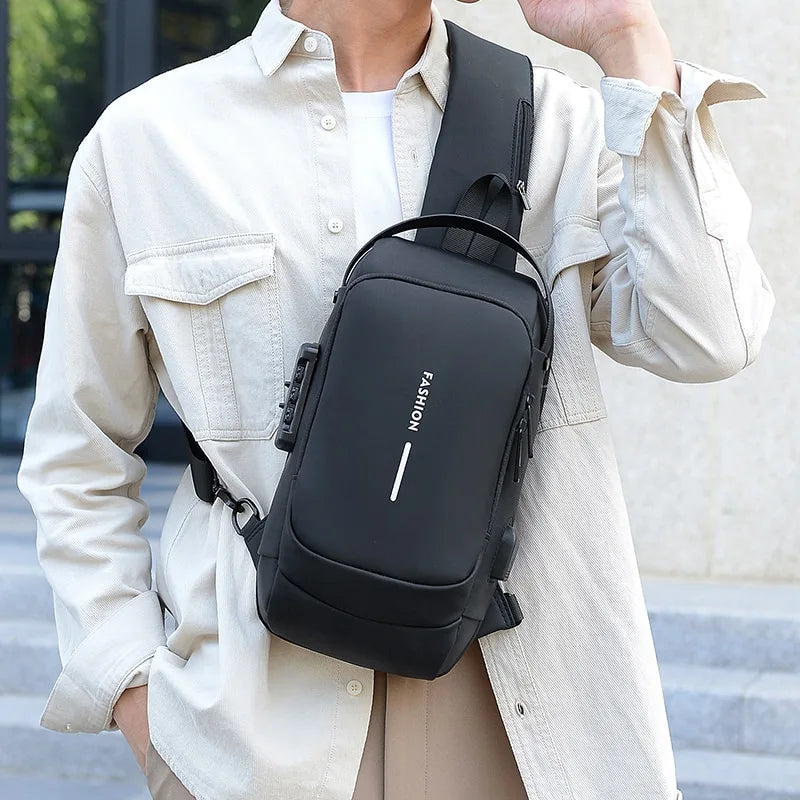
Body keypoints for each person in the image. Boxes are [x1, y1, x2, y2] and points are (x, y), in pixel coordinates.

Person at [16, 0, 773, 798]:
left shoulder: (557, 123)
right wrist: (137, 697)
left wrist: (628, 38)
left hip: (518, 712)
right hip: (256, 734)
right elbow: (77, 453)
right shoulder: (150, 141)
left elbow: (707, 335)